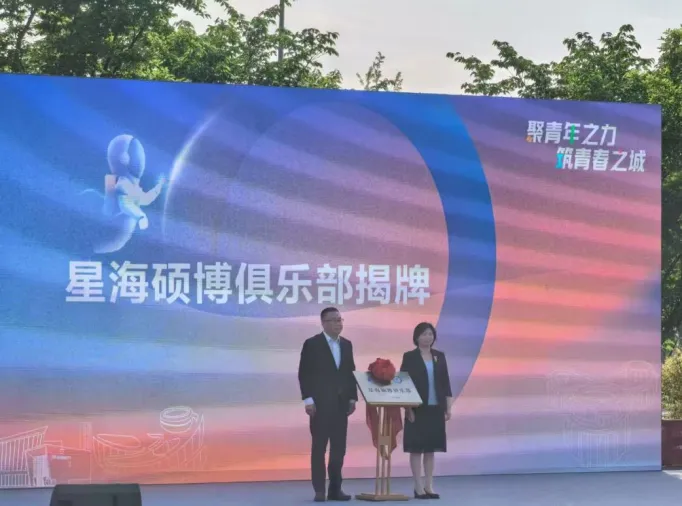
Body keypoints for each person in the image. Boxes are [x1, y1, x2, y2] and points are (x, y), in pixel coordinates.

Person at [298, 307, 358, 502]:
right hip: (320, 405)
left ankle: (335, 489)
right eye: (333, 320)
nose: (338, 323)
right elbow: (304, 373)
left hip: (341, 405)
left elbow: (350, 372)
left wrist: (352, 398)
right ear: (323, 323)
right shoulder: (312, 344)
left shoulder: (346, 344)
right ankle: (319, 490)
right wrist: (308, 399)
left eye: (340, 319)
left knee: (339, 449)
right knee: (319, 448)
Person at [400, 322, 453, 500]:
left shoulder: (439, 356)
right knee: (416, 448)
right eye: (424, 334)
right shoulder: (409, 357)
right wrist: (408, 408)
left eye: (430, 334)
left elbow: (445, 383)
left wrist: (448, 407)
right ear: (416, 337)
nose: (427, 337)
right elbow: (404, 383)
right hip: (417, 409)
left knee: (431, 449)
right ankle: (418, 486)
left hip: (436, 408)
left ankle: (429, 485)